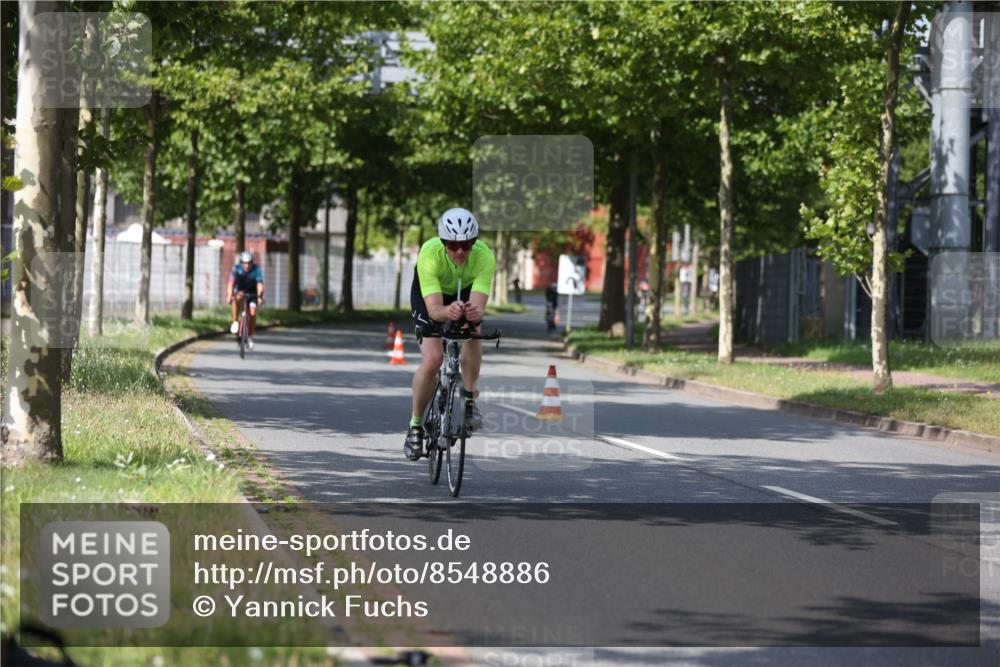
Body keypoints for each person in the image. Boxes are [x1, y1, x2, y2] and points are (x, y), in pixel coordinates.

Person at [404, 208, 496, 461]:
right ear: (443, 242)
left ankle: (469, 400)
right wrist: (447, 311)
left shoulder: (484, 257)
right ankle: (415, 427)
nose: (460, 251)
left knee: (474, 331)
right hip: (431, 296)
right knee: (433, 359)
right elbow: (434, 310)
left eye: (466, 245)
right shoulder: (429, 254)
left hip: (464, 289)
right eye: (453, 245)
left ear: (474, 242)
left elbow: (478, 309)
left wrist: (472, 314)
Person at [227, 250, 264, 349]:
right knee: (237, 298)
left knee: (252, 313)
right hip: (240, 290)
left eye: (249, 263)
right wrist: (229, 295)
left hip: (252, 293)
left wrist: (260, 296)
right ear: (241, 262)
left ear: (252, 262)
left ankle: (250, 336)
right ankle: (235, 321)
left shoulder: (257, 270)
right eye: (244, 263)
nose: (247, 265)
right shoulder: (236, 269)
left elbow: (260, 284)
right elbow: (231, 283)